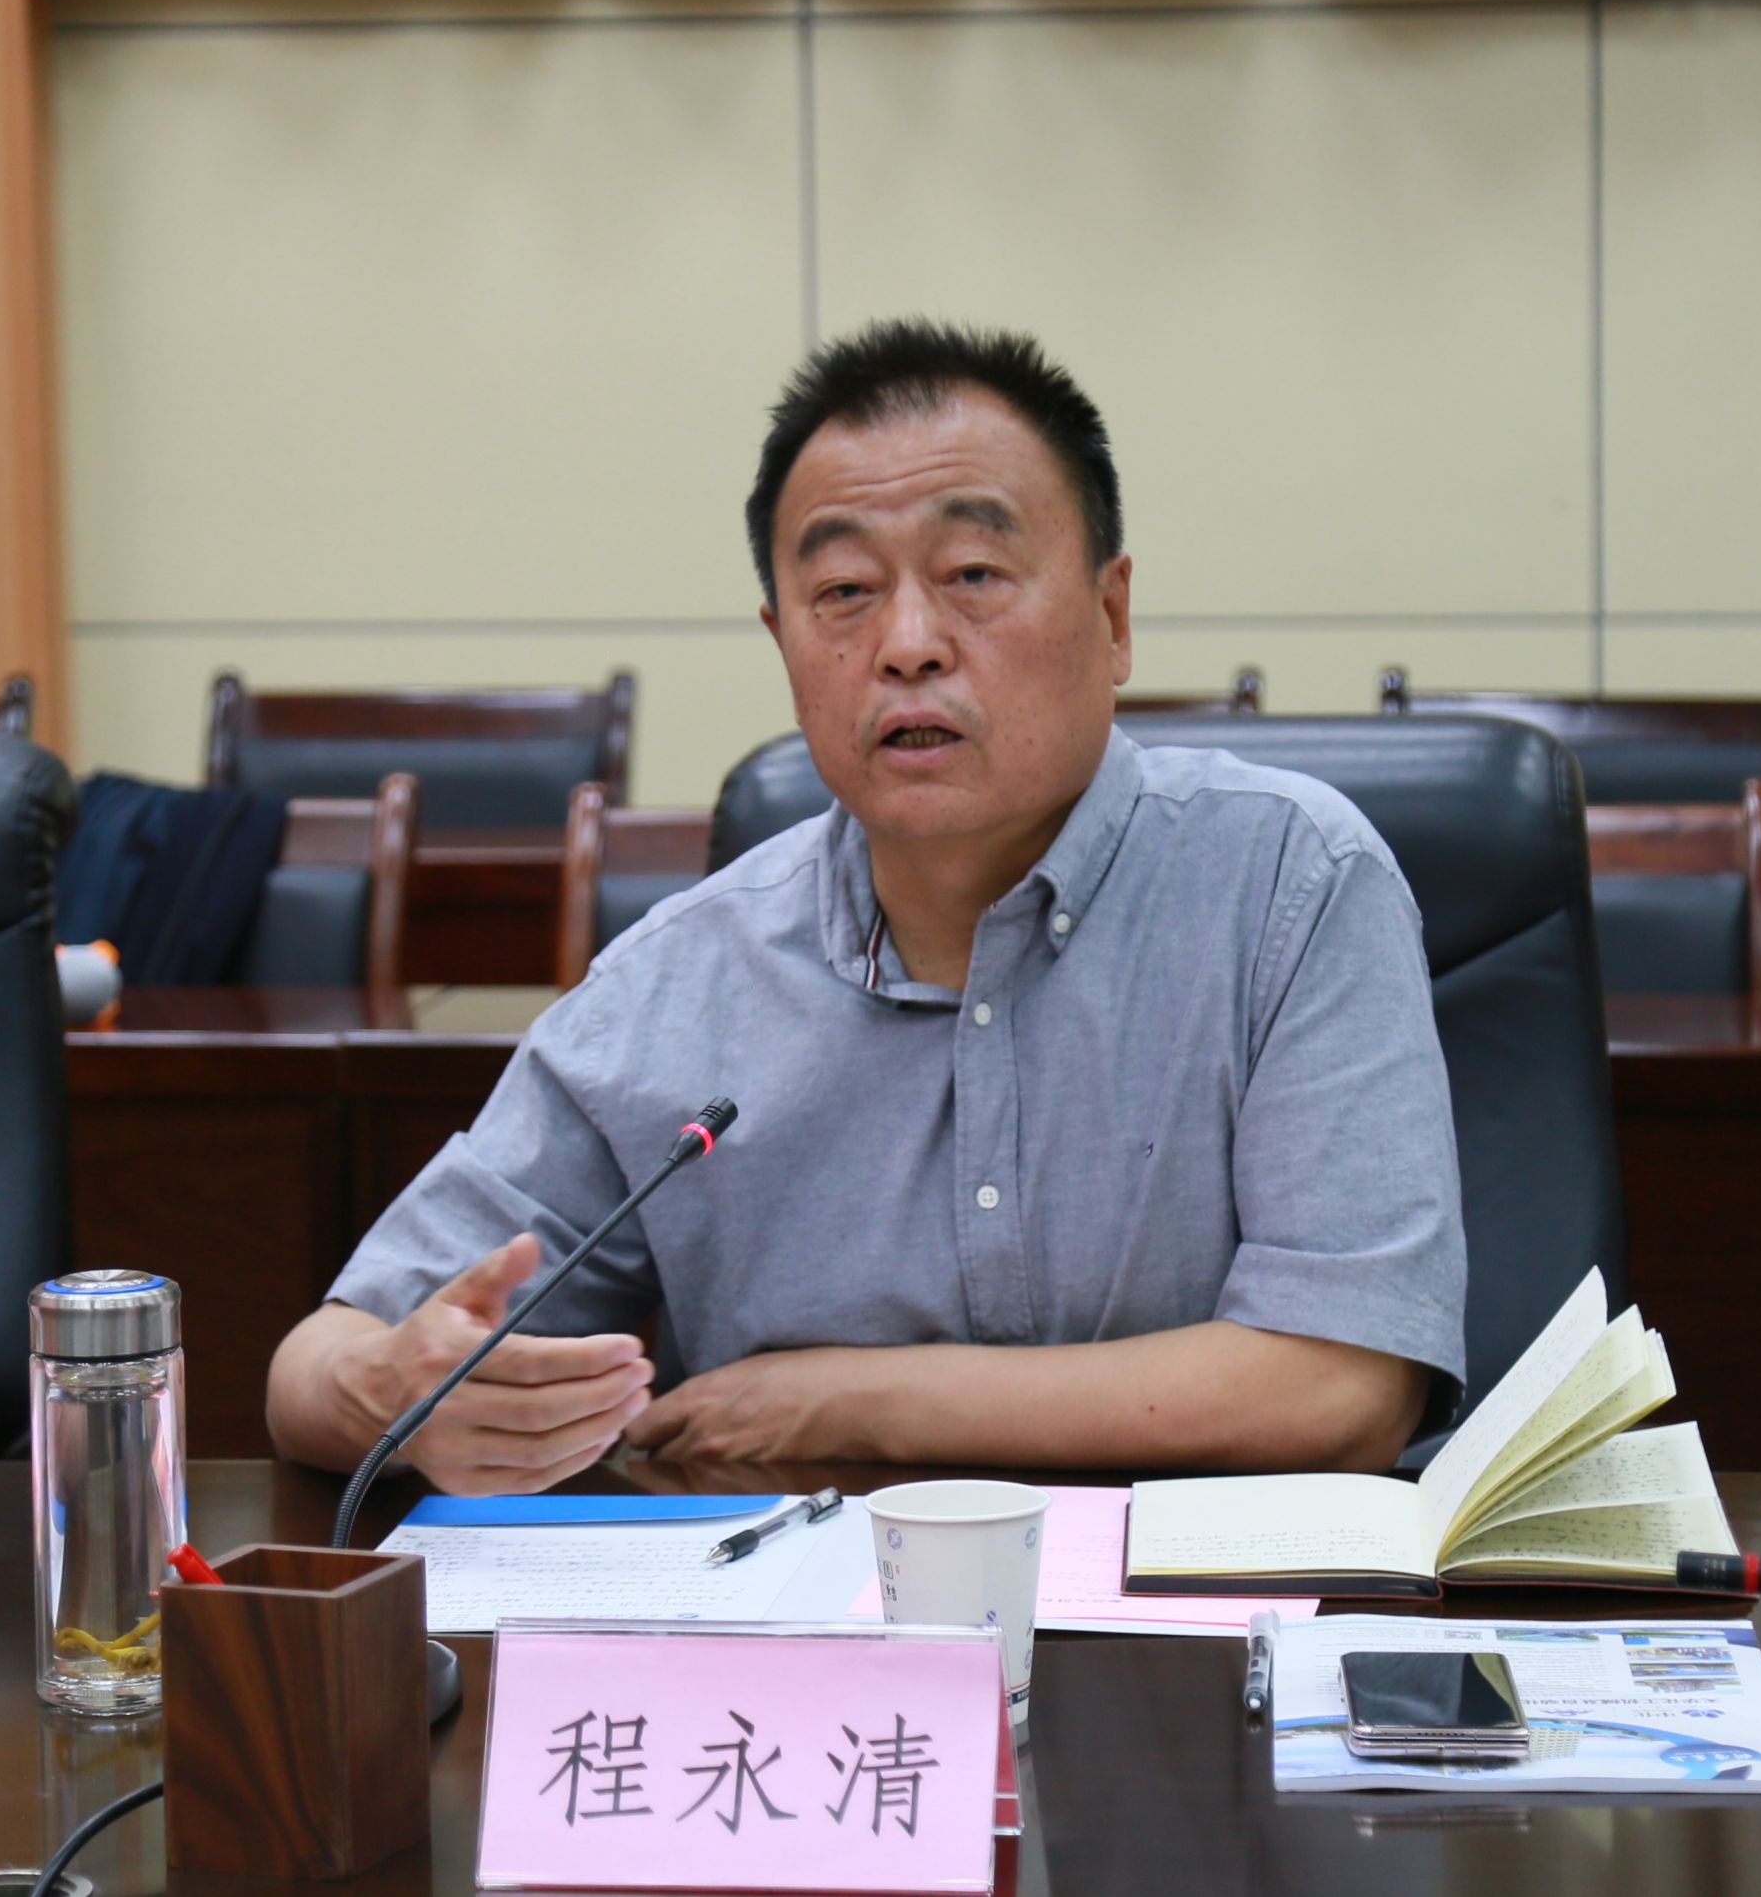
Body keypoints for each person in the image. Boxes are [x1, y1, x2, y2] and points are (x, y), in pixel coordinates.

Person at [267, 321, 1466, 1493]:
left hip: (1202, 1616)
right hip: (793, 1618)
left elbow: (1341, 1385)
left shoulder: (1289, 882)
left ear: (1110, 617)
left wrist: (840, 1401)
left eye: (973, 575)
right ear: (782, 640)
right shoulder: (684, 976)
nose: (907, 645)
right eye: (842, 590)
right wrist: (394, 1392)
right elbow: (312, 1369)